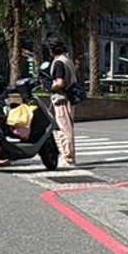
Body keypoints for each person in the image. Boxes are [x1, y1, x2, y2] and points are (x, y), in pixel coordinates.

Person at [49, 39, 77, 167]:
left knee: (64, 129)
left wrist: (50, 87)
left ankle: (67, 158)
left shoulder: (59, 62)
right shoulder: (68, 60)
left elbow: (60, 83)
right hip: (70, 98)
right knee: (69, 128)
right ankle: (70, 156)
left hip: (62, 99)